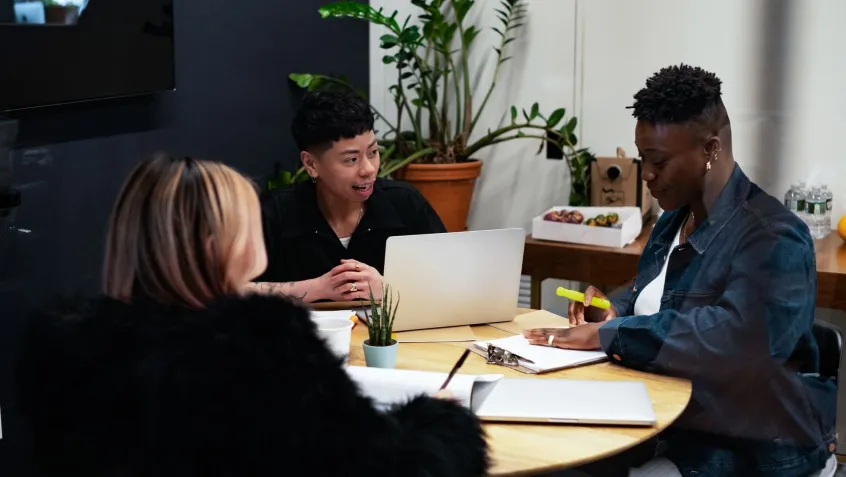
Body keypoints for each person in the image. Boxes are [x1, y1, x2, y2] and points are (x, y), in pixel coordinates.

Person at [14, 153, 489, 477]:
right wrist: (442, 421)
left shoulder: (64, 346)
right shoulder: (260, 349)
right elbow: (386, 467)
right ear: (216, 246)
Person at [525, 65, 837, 477]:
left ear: (710, 150)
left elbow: (733, 343)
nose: (647, 174)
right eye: (642, 159)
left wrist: (611, 334)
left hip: (742, 446)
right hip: (668, 419)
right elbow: (651, 292)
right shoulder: (675, 219)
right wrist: (615, 309)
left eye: (659, 161)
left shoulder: (776, 239)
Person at [253, 91, 446, 303]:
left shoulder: (406, 203)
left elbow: (452, 280)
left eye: (373, 152)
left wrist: (389, 289)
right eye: (351, 159)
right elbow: (226, 289)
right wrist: (316, 288)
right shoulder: (276, 213)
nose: (369, 169)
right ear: (311, 164)